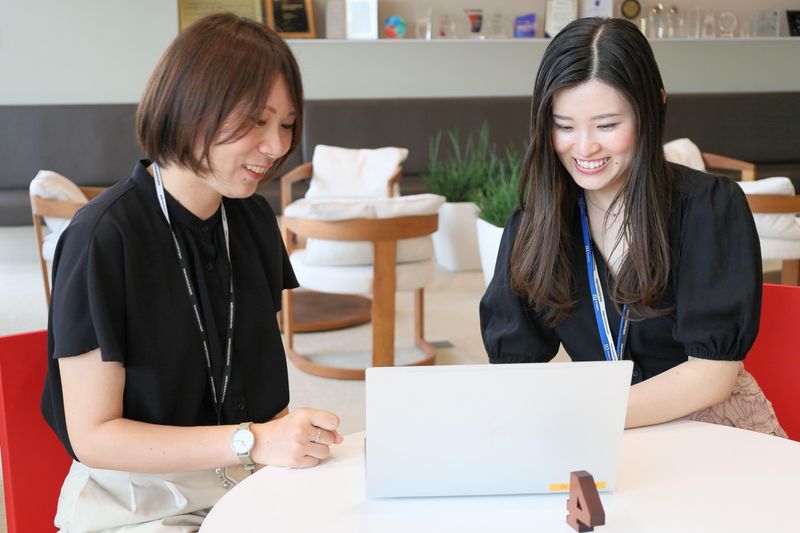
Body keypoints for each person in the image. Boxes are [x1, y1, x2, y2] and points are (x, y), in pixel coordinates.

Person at [41, 13, 343, 531]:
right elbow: (93, 435)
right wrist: (252, 440)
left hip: (247, 479)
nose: (277, 146)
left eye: (287, 124)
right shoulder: (103, 237)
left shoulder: (252, 219)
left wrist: (283, 443)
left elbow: (260, 388)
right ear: (191, 110)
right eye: (257, 121)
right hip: (137, 502)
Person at [480, 17, 783, 433]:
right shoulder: (535, 225)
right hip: (600, 433)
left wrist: (582, 418)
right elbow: (514, 366)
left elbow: (711, 376)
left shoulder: (709, 208)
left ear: (653, 107)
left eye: (607, 125)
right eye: (564, 126)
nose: (584, 147)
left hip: (710, 427)